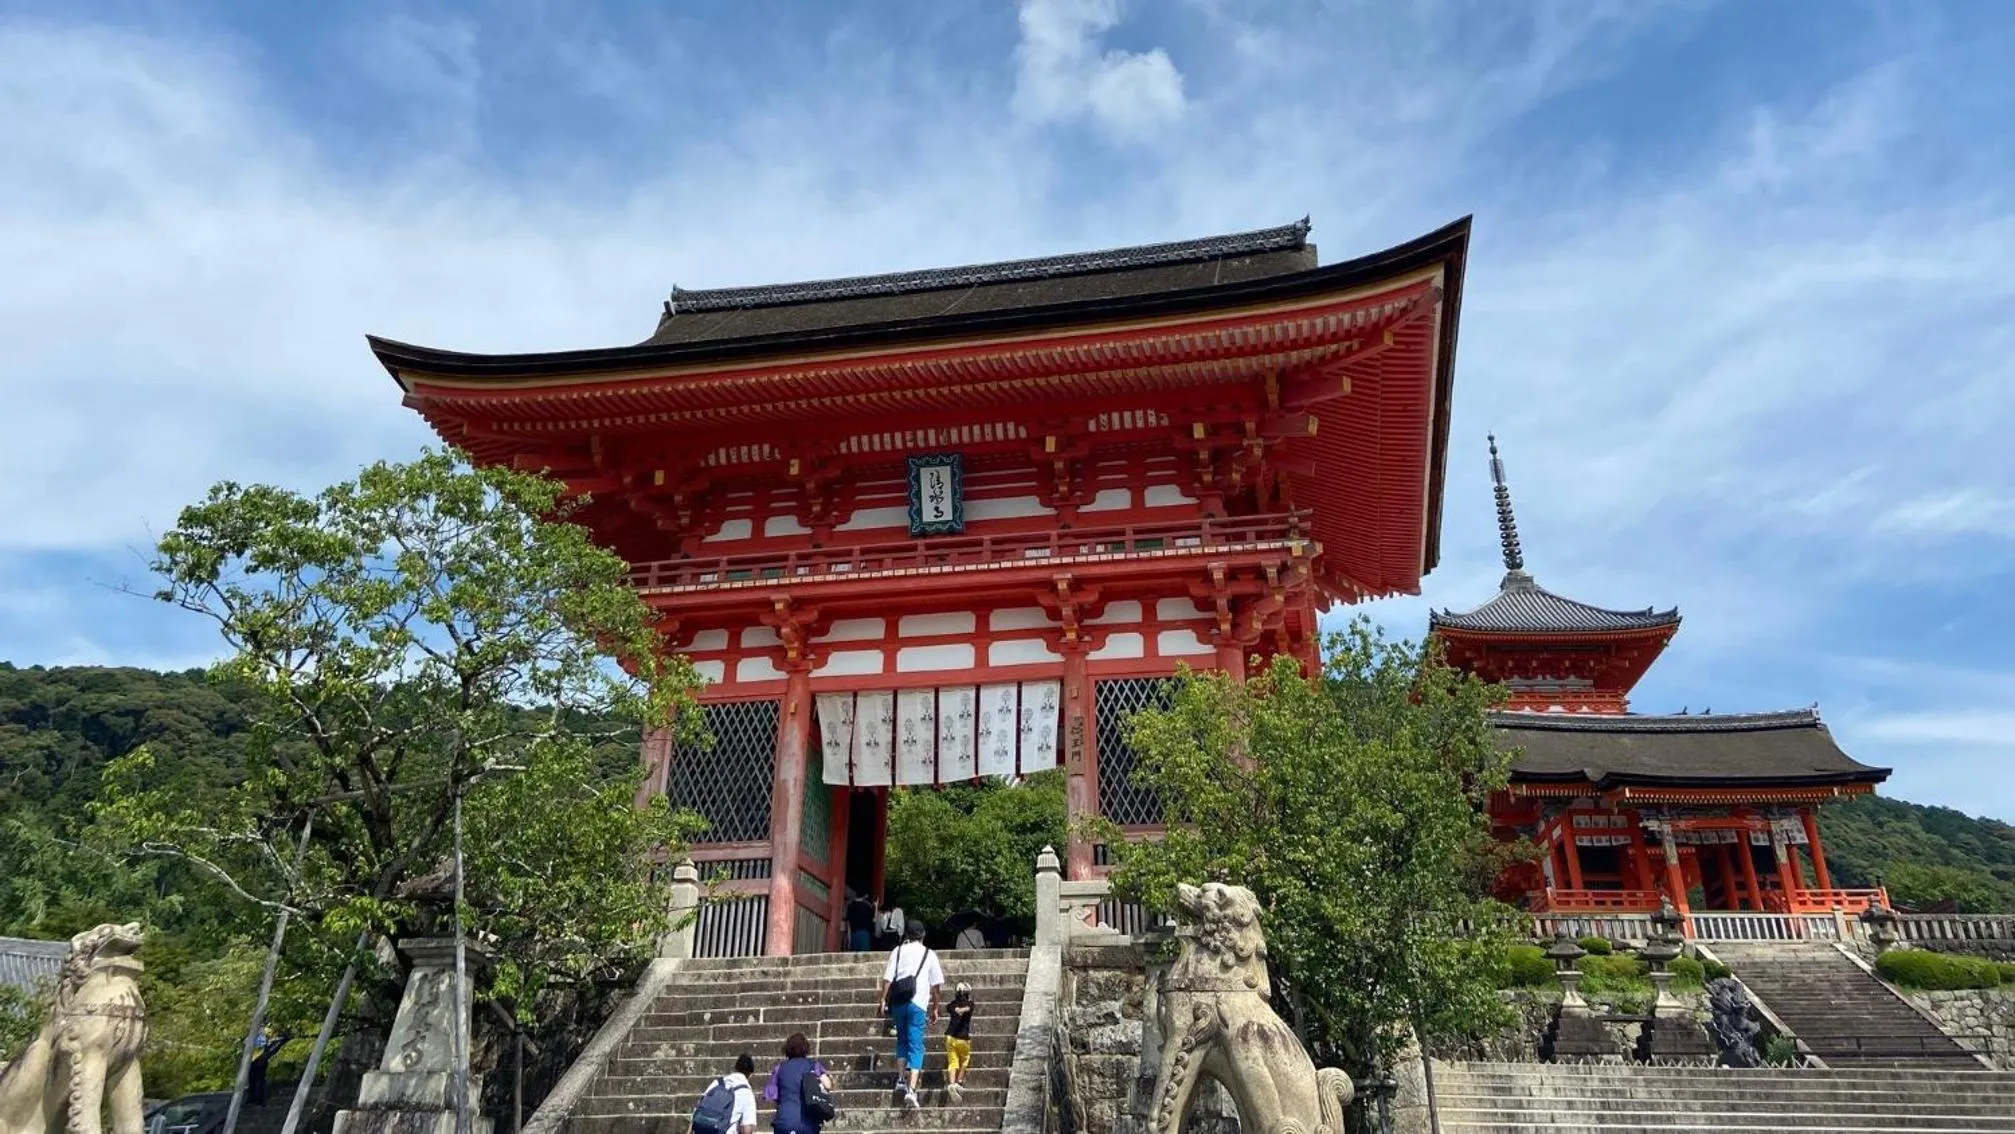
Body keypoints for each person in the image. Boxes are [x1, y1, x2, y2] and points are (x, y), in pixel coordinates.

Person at [880, 919, 943, 1110]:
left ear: (906, 935)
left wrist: (883, 1000)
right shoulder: (929, 954)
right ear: (923, 935)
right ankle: (912, 1090)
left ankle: (900, 1079)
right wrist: (935, 1007)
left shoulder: (897, 951)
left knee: (901, 1040)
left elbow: (887, 978)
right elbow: (936, 985)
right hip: (917, 1002)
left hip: (898, 1002)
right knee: (916, 1046)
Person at [764, 1032, 833, 1134]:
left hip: (784, 1121)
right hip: (808, 1123)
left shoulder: (780, 1068)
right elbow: (828, 1085)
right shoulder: (813, 1065)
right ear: (806, 1048)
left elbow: (771, 1097)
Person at [692, 1053, 759, 1134]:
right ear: (750, 1074)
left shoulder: (717, 1083)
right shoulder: (747, 1093)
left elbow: (698, 1108)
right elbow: (747, 1129)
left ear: (735, 1068)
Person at [943, 982, 976, 1100]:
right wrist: (962, 1010)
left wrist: (957, 1009)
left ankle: (951, 1084)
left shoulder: (952, 1005)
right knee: (965, 1059)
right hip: (963, 1038)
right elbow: (969, 1008)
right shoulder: (970, 1004)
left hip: (950, 1037)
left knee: (953, 1062)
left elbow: (949, 1007)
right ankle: (959, 1081)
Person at [248, 1026, 292, 1105]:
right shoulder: (253, 1031)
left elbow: (277, 1041)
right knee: (252, 1079)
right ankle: (252, 1097)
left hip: (261, 1058)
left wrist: (266, 1055)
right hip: (252, 1059)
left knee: (260, 1079)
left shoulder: (267, 1031)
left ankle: (259, 1099)